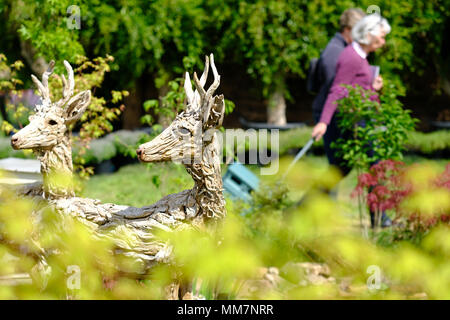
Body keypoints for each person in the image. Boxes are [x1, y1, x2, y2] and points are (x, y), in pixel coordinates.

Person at [311, 13, 392, 227]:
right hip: (355, 122)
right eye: (381, 37)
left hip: (361, 120)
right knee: (372, 165)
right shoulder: (351, 57)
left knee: (344, 168)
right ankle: (379, 218)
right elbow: (337, 90)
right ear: (368, 34)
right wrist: (324, 122)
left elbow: (357, 91)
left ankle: (378, 218)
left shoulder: (360, 57)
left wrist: (373, 90)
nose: (383, 42)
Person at [312, 8, 365, 176]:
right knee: (338, 168)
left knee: (340, 167)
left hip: (334, 112)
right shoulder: (335, 52)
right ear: (348, 30)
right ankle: (312, 202)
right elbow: (335, 87)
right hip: (329, 113)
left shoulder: (343, 48)